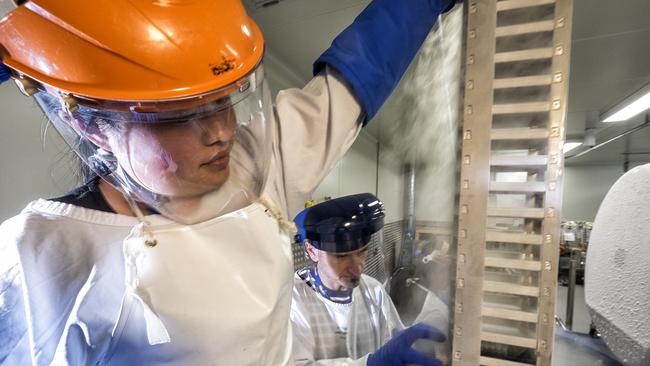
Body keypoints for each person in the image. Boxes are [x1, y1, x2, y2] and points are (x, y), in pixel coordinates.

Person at [0, 0, 457, 364]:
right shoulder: (41, 254)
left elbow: (354, 77)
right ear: (91, 125)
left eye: (225, 100)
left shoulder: (254, 168)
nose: (220, 131)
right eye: (181, 114)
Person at [291, 193, 445, 366]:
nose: (358, 268)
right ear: (312, 251)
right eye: (341, 257)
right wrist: (371, 362)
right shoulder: (293, 301)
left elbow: (392, 342)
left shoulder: (373, 290)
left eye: (361, 252)